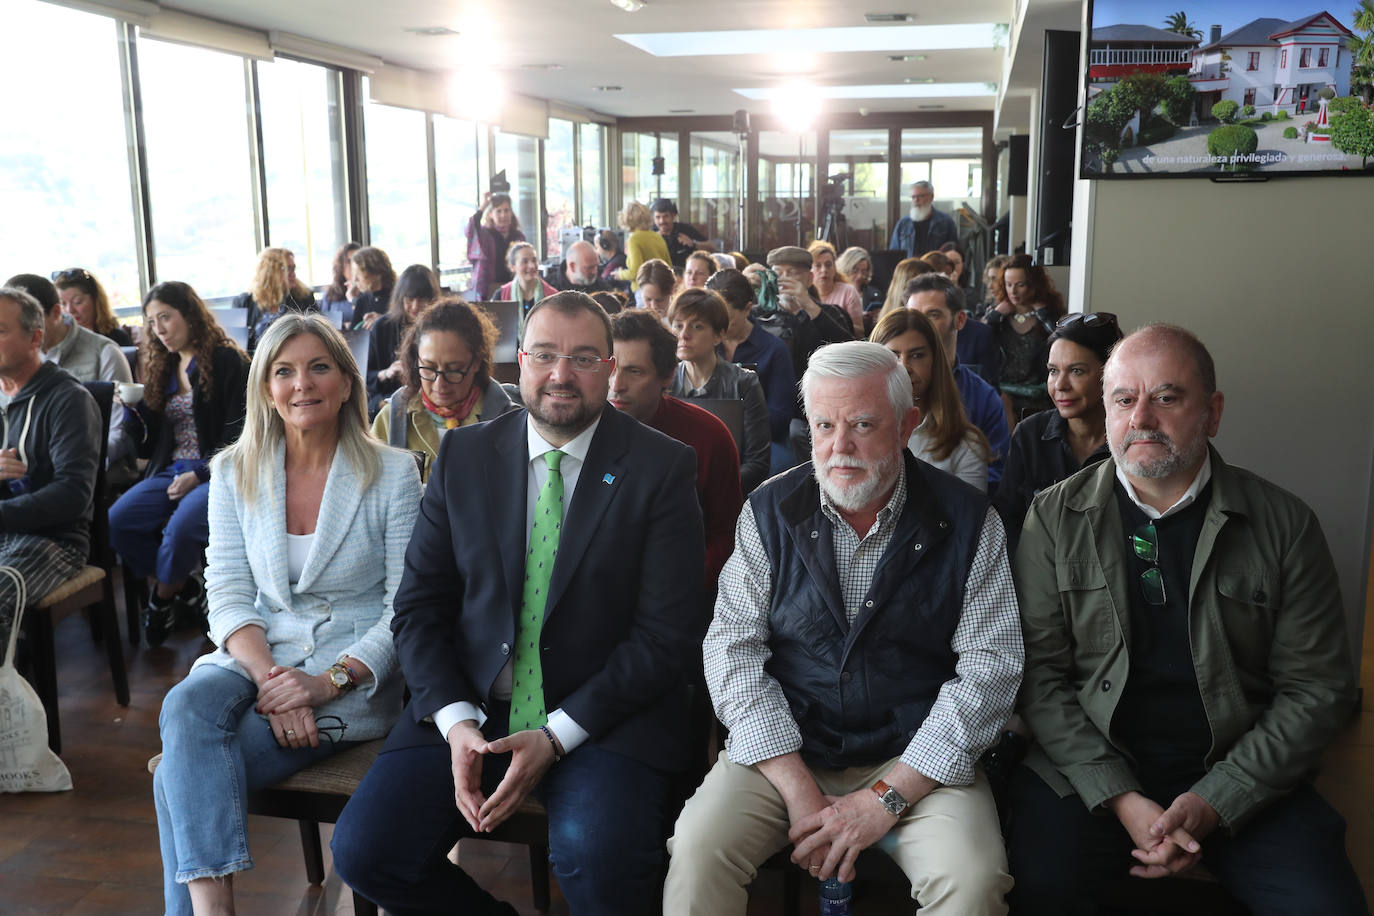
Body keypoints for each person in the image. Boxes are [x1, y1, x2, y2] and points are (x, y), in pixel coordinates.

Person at [331, 291, 705, 916]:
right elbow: (419, 606)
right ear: (517, 362)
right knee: (368, 853)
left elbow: (667, 636)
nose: (561, 374)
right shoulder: (466, 455)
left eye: (584, 357)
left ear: (610, 368)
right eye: (546, 355)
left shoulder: (661, 467)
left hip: (602, 715)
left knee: (598, 855)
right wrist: (455, 722)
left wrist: (556, 736)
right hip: (472, 703)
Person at [1007, 324, 1368, 916]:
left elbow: (1316, 690)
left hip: (1244, 768)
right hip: (1088, 771)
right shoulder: (1052, 519)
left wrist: (1216, 799)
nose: (1142, 417)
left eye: (1167, 397)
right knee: (1039, 890)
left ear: (1213, 411)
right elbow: (1039, 677)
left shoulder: (1284, 525)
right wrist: (1121, 797)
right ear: (1107, 410)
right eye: (1124, 399)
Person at [664, 341, 1022, 915]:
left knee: (971, 882)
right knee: (699, 851)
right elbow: (731, 652)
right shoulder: (769, 509)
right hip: (787, 746)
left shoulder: (969, 521)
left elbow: (989, 672)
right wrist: (799, 790)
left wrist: (886, 797)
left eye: (862, 424)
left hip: (916, 756)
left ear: (907, 426)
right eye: (824, 424)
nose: (839, 447)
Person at [152, 313, 421, 916]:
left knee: (175, 778)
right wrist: (275, 679)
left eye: (319, 367)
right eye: (284, 371)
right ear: (266, 390)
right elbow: (224, 588)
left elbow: (406, 608)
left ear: (346, 383)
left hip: (347, 676)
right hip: (257, 657)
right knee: (184, 703)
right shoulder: (232, 471)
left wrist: (325, 684)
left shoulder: (395, 473)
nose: (303, 384)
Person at [109, 282, 250, 647]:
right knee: (118, 521)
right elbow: (148, 443)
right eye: (152, 322)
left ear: (189, 314)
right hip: (170, 469)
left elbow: (242, 437)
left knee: (183, 529)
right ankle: (184, 585)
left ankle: (161, 600)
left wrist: (199, 473)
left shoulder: (226, 361)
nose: (159, 329)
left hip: (217, 471)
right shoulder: (164, 366)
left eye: (165, 317)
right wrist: (135, 411)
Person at [609, 309, 742, 590]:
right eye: (610, 368)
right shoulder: (577, 428)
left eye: (634, 371)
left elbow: (725, 537)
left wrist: (673, 587)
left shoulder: (708, 437)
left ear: (667, 376)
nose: (616, 386)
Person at [0, 286, 100, 644]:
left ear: (35, 337)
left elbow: (72, 495)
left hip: (53, 542)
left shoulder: (67, 399)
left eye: (0, 330)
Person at [993, 312, 1120, 550]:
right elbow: (1007, 521)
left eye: (1076, 371)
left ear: (1109, 375)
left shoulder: (1129, 440)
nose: (1060, 385)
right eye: (1053, 371)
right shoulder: (1030, 435)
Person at [371, 298, 518, 482]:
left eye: (453, 370)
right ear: (416, 359)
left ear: (476, 363)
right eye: (429, 368)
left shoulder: (506, 421)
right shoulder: (392, 420)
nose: (440, 384)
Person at [8, 273, 135, 479]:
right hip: (24, 471)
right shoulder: (13, 360)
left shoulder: (104, 353)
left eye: (28, 323)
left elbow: (120, 431)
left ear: (56, 312)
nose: (21, 333)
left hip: (91, 470)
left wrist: (80, 461)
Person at [905, 274, 1010, 489]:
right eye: (914, 315)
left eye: (933, 315)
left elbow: (996, 473)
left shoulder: (982, 397)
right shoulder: (884, 389)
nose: (922, 325)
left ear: (960, 319)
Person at [871, 308, 990, 491]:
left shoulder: (966, 444)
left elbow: (969, 517)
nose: (904, 367)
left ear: (935, 362)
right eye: (892, 356)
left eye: (917, 355)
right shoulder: (852, 434)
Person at [668, 288, 771, 494]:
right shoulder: (664, 384)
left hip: (727, 493)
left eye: (697, 326)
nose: (684, 335)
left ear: (719, 335)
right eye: (678, 325)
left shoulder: (744, 383)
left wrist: (708, 488)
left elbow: (758, 463)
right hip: (671, 494)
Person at [708, 269, 796, 448]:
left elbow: (781, 416)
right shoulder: (702, 344)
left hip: (762, 441)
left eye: (727, 320)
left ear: (748, 309)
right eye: (711, 318)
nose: (718, 327)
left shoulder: (774, 350)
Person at [986, 254, 1064, 426]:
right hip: (1001, 397)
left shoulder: (1050, 314)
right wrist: (995, 316)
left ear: (1033, 285)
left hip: (1039, 400)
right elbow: (980, 340)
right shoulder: (997, 314)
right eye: (1008, 284)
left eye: (1020, 285)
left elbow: (1064, 342)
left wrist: (1044, 316)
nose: (1013, 291)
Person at [367, 264, 440, 415]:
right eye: (409, 299)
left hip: (433, 396)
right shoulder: (382, 327)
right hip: (389, 397)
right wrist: (387, 372)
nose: (415, 306)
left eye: (422, 299)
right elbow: (365, 376)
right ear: (400, 298)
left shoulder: (441, 327)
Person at [235, 247, 317, 350]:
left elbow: (315, 335)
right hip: (254, 359)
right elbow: (238, 345)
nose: (293, 274)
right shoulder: (244, 302)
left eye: (293, 268)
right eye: (288, 269)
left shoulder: (304, 297)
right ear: (271, 272)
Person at [51, 267, 133, 346]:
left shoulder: (116, 338)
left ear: (96, 300)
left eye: (77, 302)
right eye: (63, 304)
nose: (70, 310)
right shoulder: (55, 340)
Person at [466, 191, 525, 299]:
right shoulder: (485, 235)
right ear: (491, 214)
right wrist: (483, 206)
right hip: (488, 288)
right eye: (498, 211)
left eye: (506, 210)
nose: (503, 215)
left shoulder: (518, 236)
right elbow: (471, 228)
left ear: (511, 212)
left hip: (514, 287)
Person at [495, 242, 558, 335]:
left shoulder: (553, 296)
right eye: (525, 261)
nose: (532, 266)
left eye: (534, 260)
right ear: (512, 267)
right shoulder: (500, 295)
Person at [809, 240, 864, 338]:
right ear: (810, 271)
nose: (824, 270)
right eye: (818, 265)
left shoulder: (848, 291)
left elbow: (860, 332)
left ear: (835, 268)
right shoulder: (804, 295)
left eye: (828, 265)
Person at [889, 180, 958, 258]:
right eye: (913, 197)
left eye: (920, 196)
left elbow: (953, 252)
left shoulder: (946, 222)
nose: (916, 200)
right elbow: (893, 254)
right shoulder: (903, 224)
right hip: (909, 269)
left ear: (931, 197)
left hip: (935, 269)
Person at [619, 201, 672, 292]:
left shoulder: (634, 239)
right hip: (661, 289)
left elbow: (636, 272)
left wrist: (619, 274)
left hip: (643, 290)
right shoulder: (657, 236)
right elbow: (668, 265)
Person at [650, 197, 712, 268]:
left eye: (665, 216)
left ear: (673, 216)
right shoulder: (651, 234)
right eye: (658, 217)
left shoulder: (685, 229)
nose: (662, 221)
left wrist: (693, 243)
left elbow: (711, 247)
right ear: (653, 218)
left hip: (686, 274)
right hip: (661, 274)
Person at [348, 246, 397, 331]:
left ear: (377, 272)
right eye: (354, 274)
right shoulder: (362, 300)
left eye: (359, 273)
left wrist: (383, 320)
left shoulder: (397, 298)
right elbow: (353, 337)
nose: (355, 279)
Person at [835, 246, 884, 315]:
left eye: (864, 271)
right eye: (855, 271)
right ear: (845, 269)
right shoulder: (835, 292)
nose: (860, 276)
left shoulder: (875, 294)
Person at [321, 241, 362, 316]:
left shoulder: (368, 293)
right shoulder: (330, 293)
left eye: (357, 261)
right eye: (349, 261)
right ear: (341, 266)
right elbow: (325, 322)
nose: (354, 266)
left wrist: (353, 299)